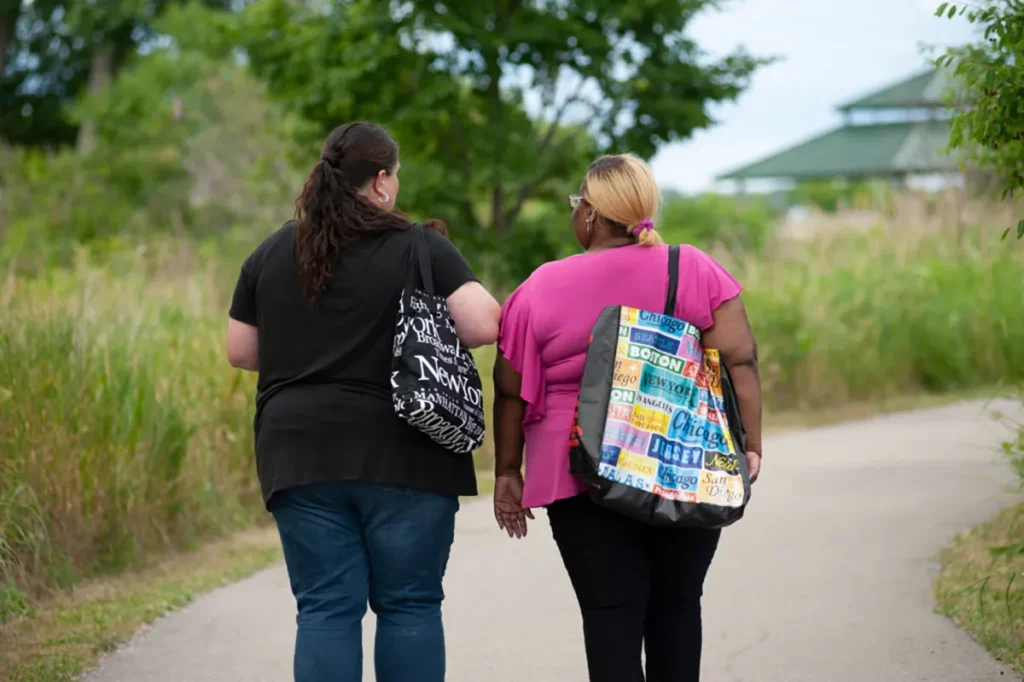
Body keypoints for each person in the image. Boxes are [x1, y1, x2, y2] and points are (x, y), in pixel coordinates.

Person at [225, 121, 500, 682]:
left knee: (325, 607)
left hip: (298, 454)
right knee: (410, 604)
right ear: (380, 181)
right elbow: (483, 324)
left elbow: (241, 350)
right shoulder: (421, 247)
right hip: (404, 448)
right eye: (394, 177)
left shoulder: (274, 250)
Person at [491, 153, 762, 682]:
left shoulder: (541, 285)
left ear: (590, 215)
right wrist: (750, 444)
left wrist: (507, 471)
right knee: (678, 606)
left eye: (577, 204)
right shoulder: (694, 268)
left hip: (581, 469)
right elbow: (740, 360)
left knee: (610, 615)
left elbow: (510, 389)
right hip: (683, 462)